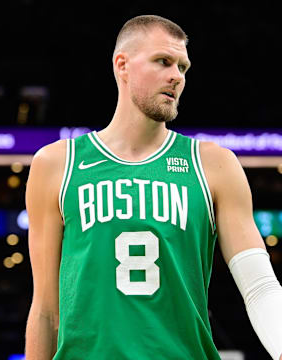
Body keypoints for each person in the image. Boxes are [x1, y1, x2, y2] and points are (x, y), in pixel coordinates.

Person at [25, 15, 282, 360]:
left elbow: (260, 286)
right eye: (163, 61)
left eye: (183, 67)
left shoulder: (213, 165)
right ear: (123, 65)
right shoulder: (57, 164)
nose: (177, 76)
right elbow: (45, 310)